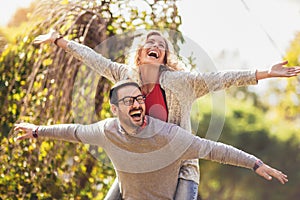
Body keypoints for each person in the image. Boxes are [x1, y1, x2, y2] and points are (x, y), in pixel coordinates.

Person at [33, 29, 300, 199]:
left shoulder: (182, 82)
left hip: (180, 166)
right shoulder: (125, 75)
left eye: (161, 45)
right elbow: (93, 59)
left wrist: (264, 72)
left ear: (164, 57)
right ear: (140, 53)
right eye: (150, 42)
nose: (156, 45)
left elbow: (222, 78)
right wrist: (59, 41)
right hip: (140, 164)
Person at [14, 80, 288, 200]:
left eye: (140, 98)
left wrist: (255, 163)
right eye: (129, 100)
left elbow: (212, 149)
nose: (137, 104)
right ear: (115, 109)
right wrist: (38, 130)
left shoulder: (168, 136)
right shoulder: (106, 131)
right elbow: (73, 132)